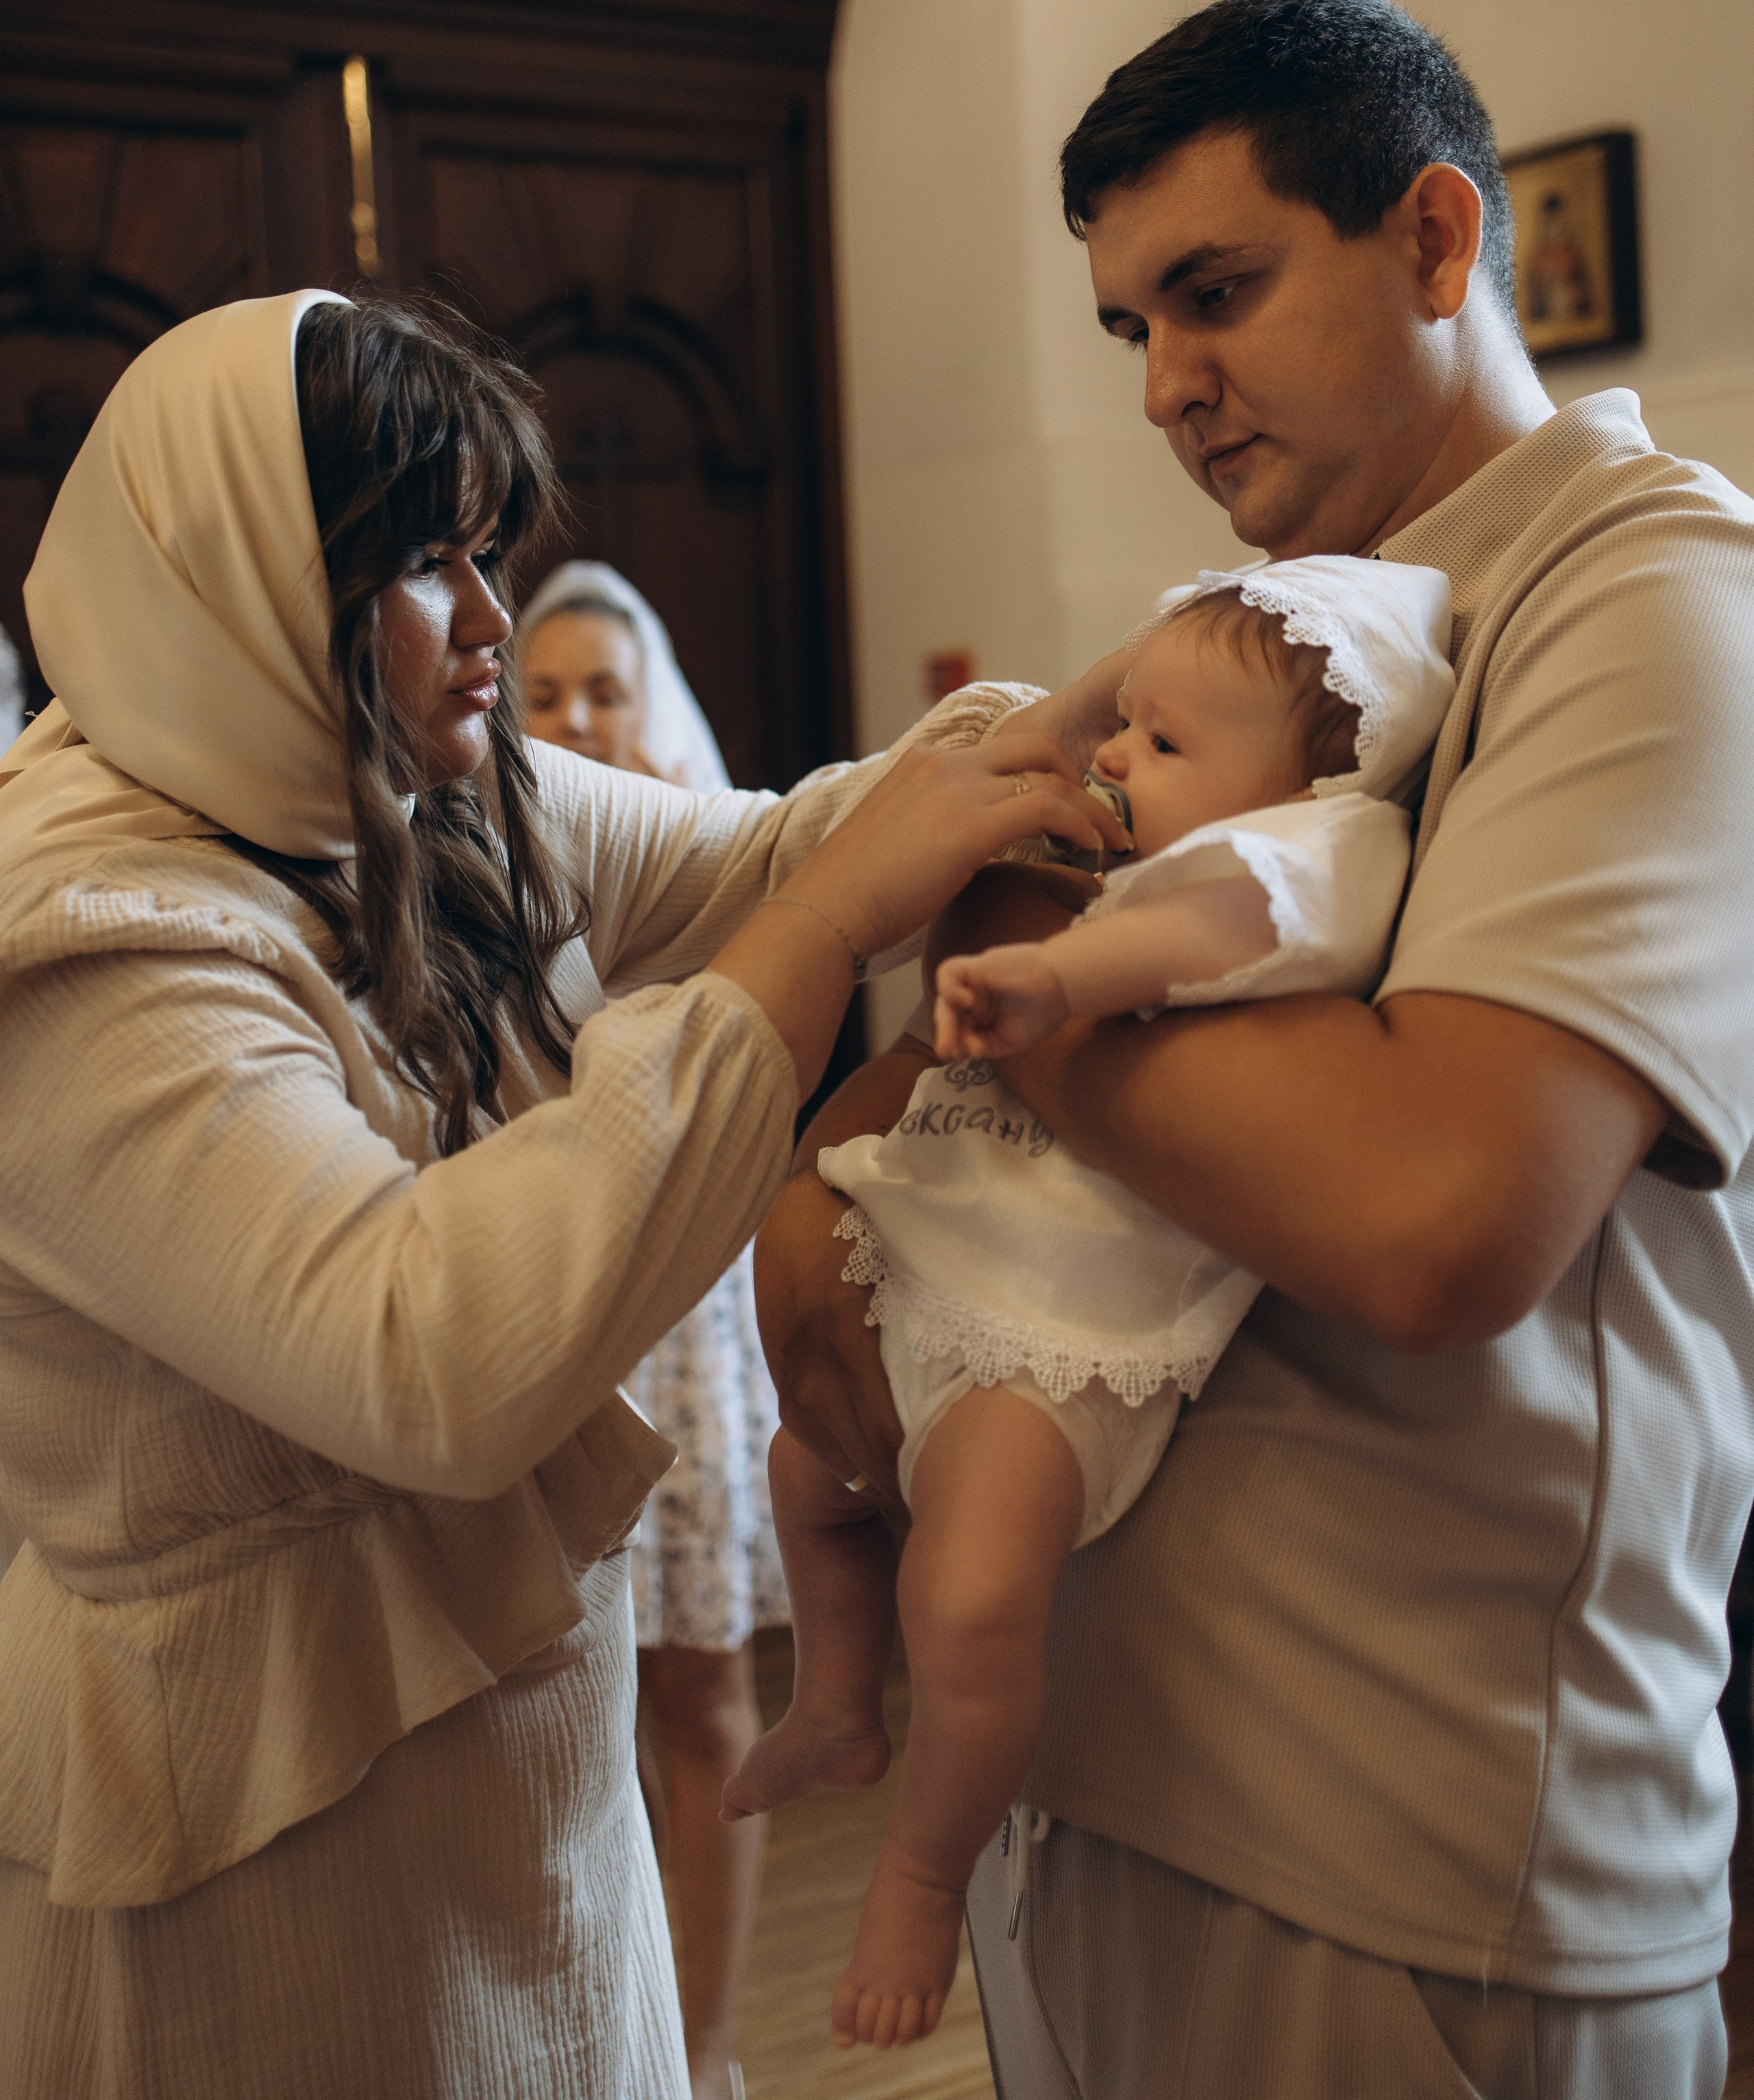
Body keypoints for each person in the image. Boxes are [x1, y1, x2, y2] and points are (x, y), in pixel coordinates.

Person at [756, 0, 1754, 2097]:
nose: (1165, 389)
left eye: (1215, 294)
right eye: (1133, 326)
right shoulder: (1293, 629)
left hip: (1410, 1837)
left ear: (1435, 238)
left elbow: (1431, 1214)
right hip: (1109, 1769)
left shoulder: (1648, 593)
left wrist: (1021, 940)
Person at [0, 288, 1126, 2100]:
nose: (488, 621)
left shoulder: (412, 789)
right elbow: (422, 1355)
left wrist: (1113, 717)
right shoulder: (88, 945)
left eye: (485, 552)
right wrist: (821, 931)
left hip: (518, 1772)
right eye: (420, 563)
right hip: (258, 1823)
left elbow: (773, 847)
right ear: (241, 583)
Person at [724, 558, 1454, 2052]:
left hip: (1060, 1352)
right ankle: (837, 1702)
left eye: (1162, 741)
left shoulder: (1316, 852)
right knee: (807, 1476)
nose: (1116, 754)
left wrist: (1056, 977)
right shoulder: (1176, 844)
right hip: (954, 1277)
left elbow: (1198, 937)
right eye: (1127, 723)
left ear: (1306, 780)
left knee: (972, 1600)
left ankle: (917, 1879)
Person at [519, 560, 787, 2100]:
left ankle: (710, 2044)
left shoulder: (701, 866)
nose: (574, 718)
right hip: (548, 1300)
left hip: (682, 1318)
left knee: (698, 1685)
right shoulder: (482, 868)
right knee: (565, 1693)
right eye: (545, 693)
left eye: (602, 692)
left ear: (650, 703)